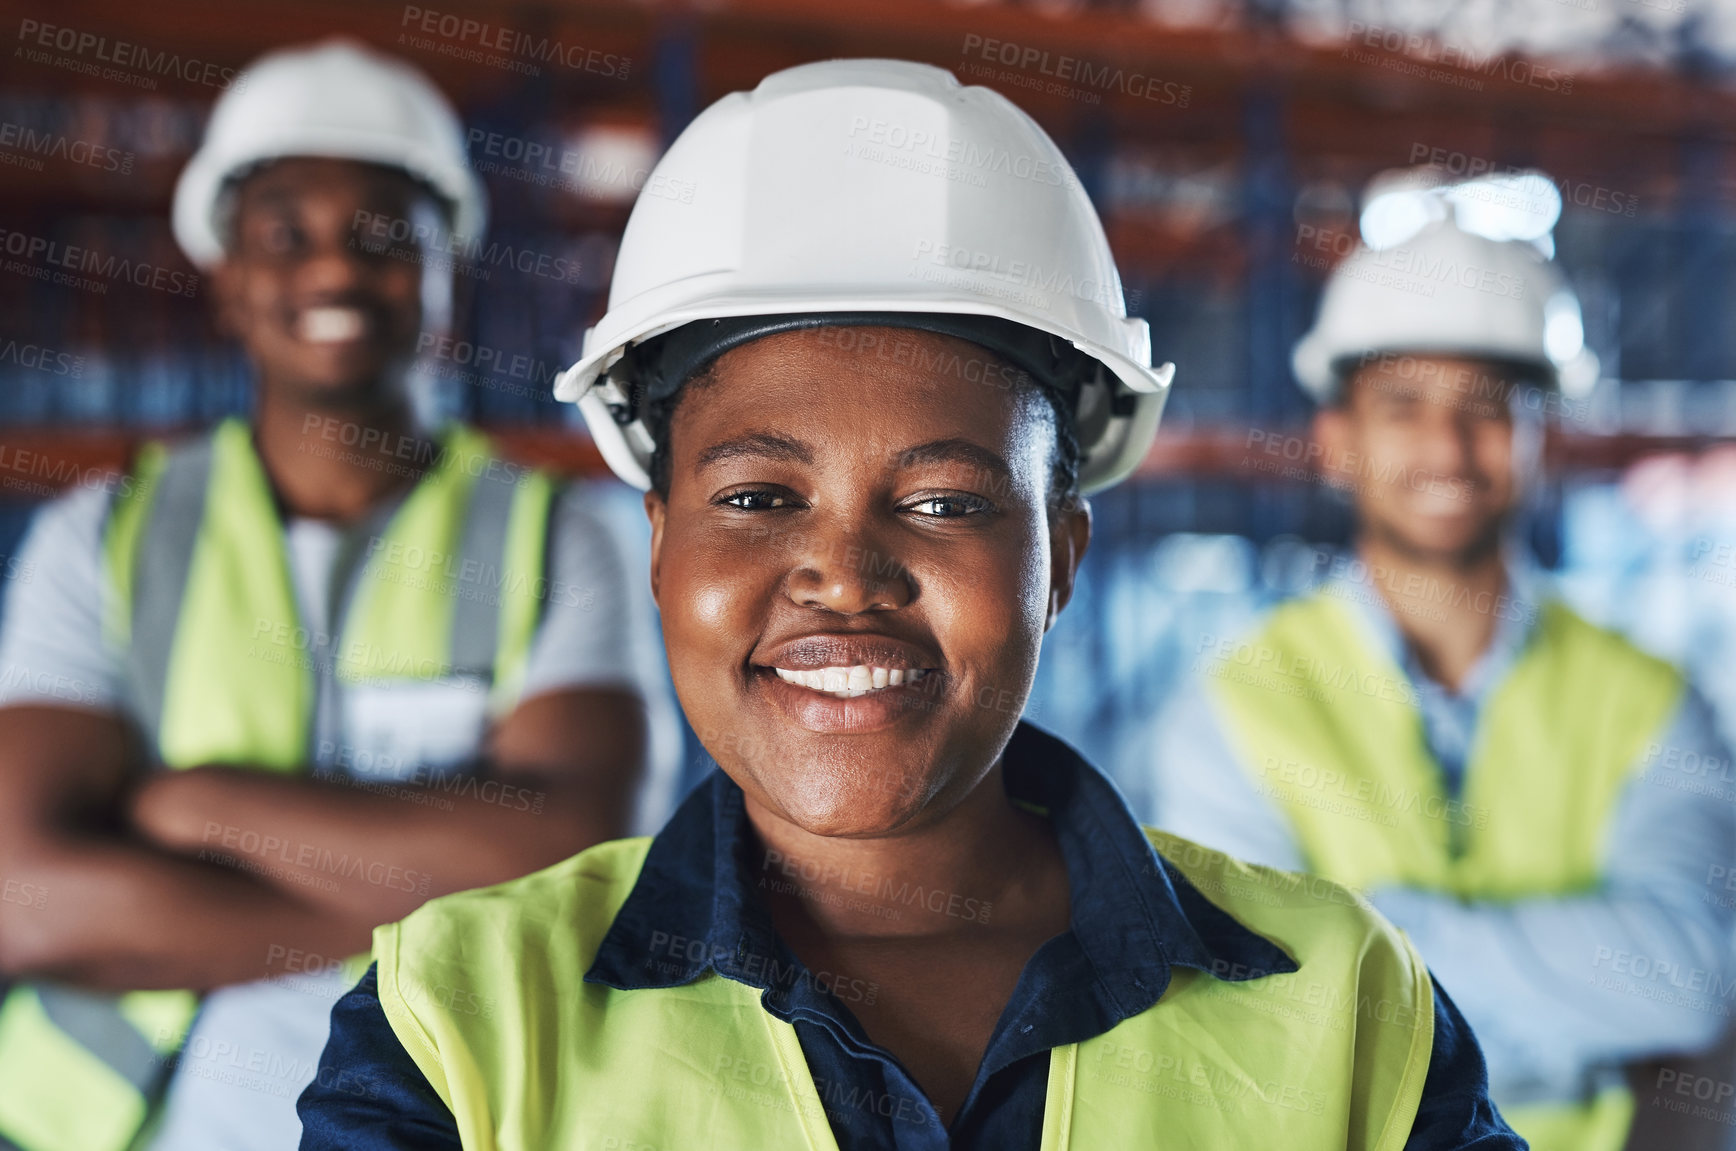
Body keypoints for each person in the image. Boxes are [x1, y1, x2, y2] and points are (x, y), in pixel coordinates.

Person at [298, 60, 1523, 1150]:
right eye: (762, 495)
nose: (844, 573)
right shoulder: (459, 1027)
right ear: (661, 547)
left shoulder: (1344, 1002)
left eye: (942, 502)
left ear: (1062, 555)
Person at [0, 39, 676, 1151]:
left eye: (382, 238)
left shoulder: (564, 539)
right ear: (227, 275)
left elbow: (577, 852)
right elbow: (26, 898)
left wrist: (193, 804)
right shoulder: (101, 536)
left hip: (469, 1119)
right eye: (285, 234)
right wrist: (430, 880)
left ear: (445, 270)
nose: (333, 270)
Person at [1147, 201, 1736, 1151]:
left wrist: (1372, 928)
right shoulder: (1231, 708)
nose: (1448, 447)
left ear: (1542, 431)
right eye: (1405, 405)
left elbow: (1691, 980)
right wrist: (1581, 1007)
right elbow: (1246, 1010)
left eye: (1487, 405)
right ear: (1338, 441)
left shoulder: (1654, 701)